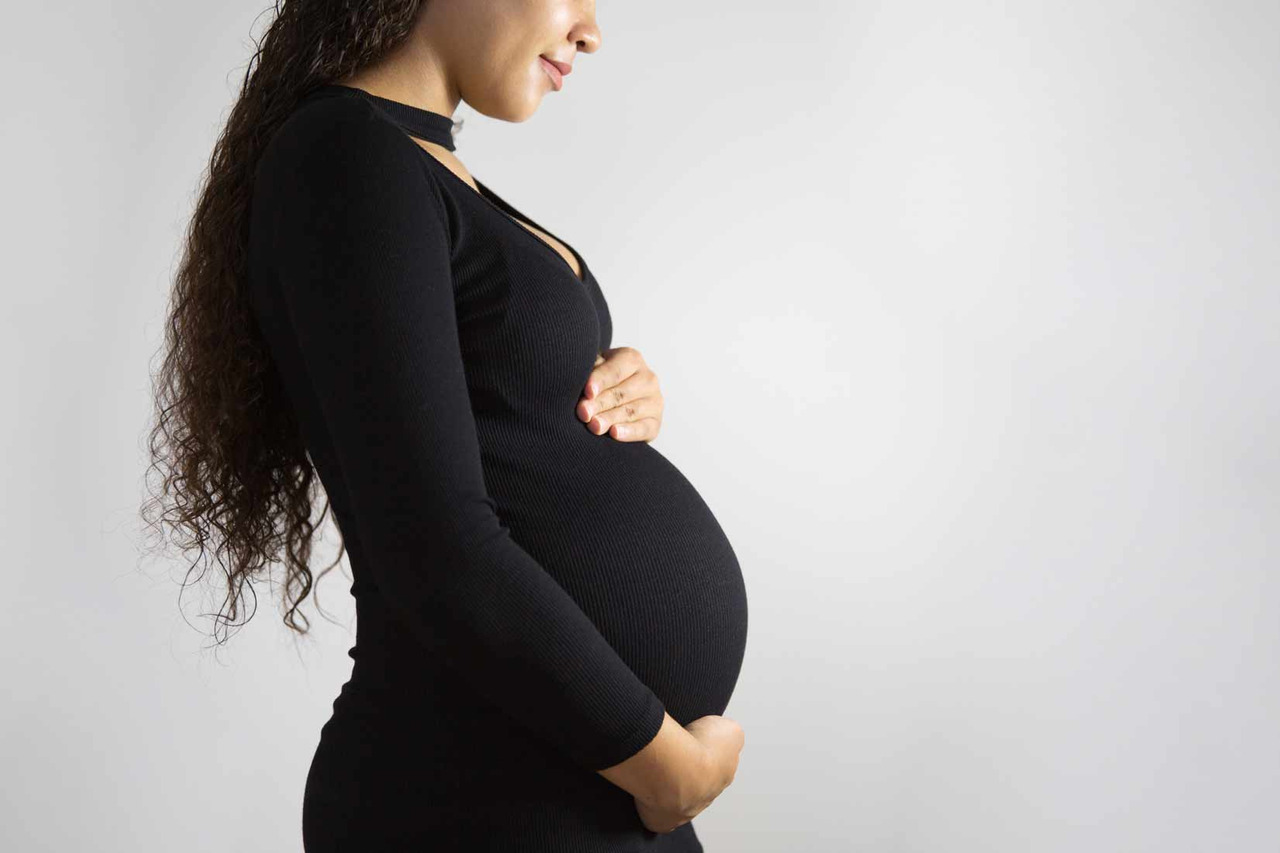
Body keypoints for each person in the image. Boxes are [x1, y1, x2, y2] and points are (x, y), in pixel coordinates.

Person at [145, 1, 748, 849]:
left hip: (571, 786)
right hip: (479, 795)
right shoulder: (348, 159)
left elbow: (492, 413)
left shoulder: (415, 162)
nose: (590, 30)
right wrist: (668, 767)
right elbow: (437, 546)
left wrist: (611, 390)